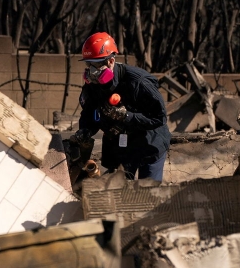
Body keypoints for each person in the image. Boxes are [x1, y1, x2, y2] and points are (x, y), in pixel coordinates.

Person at [71, 32, 171, 182]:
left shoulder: (139, 82)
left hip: (149, 141)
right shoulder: (93, 85)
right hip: (119, 144)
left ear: (111, 61)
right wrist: (86, 130)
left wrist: (127, 116)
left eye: (97, 64)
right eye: (89, 64)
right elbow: (89, 111)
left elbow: (159, 117)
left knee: (148, 193)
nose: (92, 71)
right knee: (116, 191)